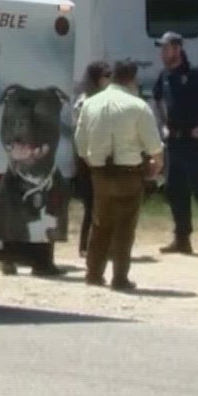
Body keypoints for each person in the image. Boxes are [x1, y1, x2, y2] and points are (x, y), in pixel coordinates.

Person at [74, 60, 164, 291]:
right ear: (132, 79)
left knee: (100, 223)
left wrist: (94, 166)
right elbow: (155, 146)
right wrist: (156, 165)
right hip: (129, 173)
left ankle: (93, 273)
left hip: (100, 172)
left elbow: (81, 145)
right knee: (125, 226)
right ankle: (120, 277)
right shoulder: (138, 106)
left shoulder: (90, 104)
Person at [150, 30, 198, 255]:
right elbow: (156, 100)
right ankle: (182, 238)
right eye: (162, 49)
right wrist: (162, 124)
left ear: (178, 49)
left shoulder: (197, 74)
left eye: (166, 48)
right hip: (174, 141)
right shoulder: (164, 76)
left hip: (195, 142)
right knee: (175, 190)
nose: (163, 53)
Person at [70, 60, 109, 258]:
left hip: (100, 157)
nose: (108, 80)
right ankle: (85, 246)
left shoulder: (104, 99)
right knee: (91, 204)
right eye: (105, 76)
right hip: (86, 159)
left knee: (100, 204)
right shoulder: (84, 101)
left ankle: (95, 244)